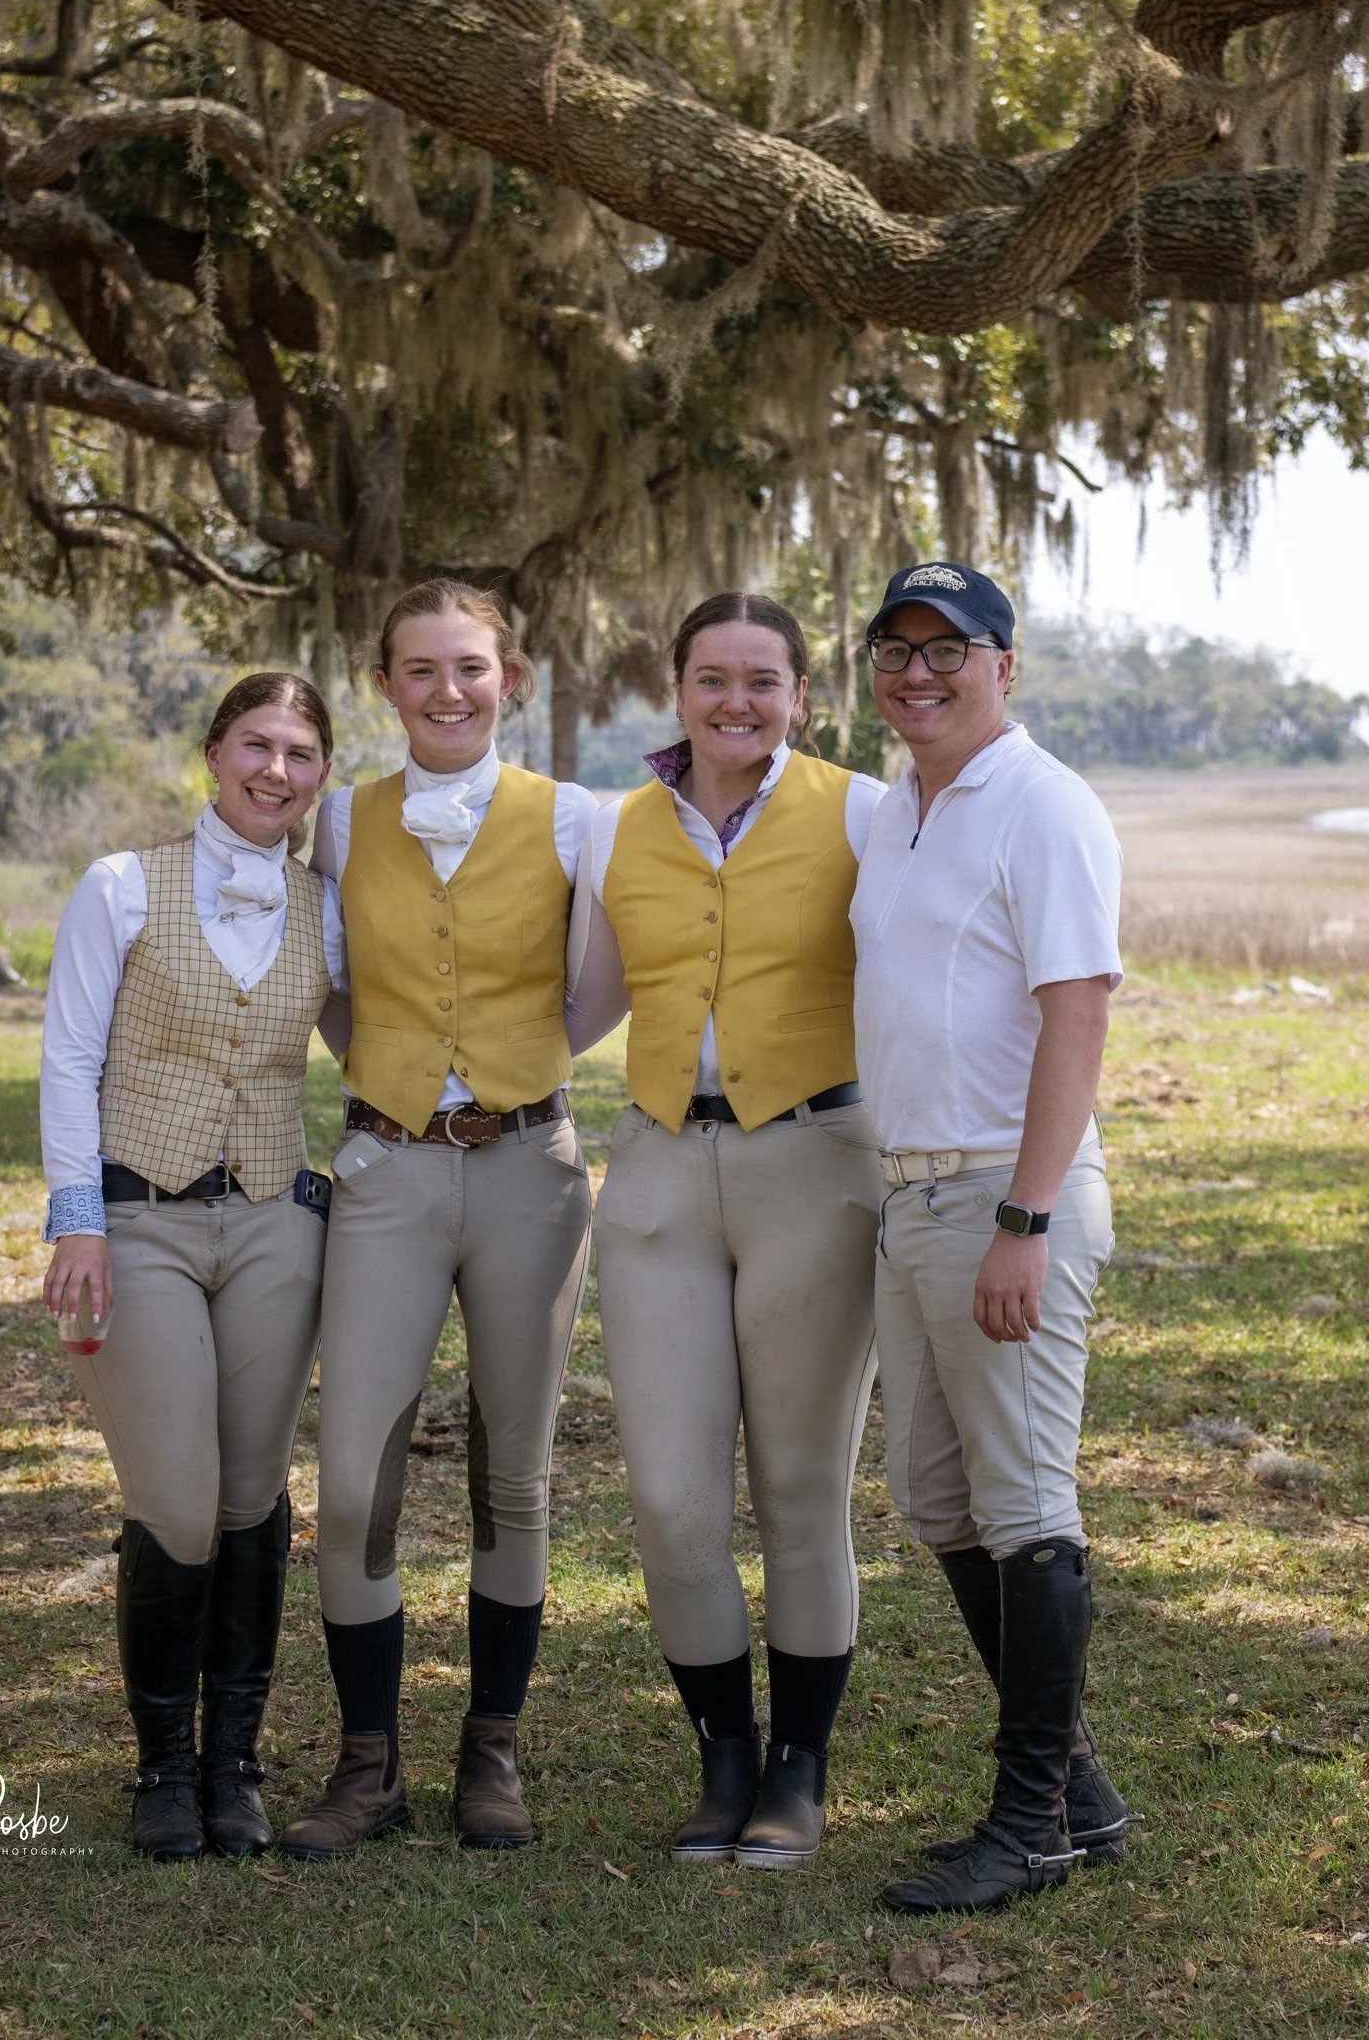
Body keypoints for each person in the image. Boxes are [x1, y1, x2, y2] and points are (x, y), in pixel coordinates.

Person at [276, 580, 598, 1861]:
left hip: (532, 1170)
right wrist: (391, 1078)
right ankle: (369, 1762)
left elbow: (600, 987)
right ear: (385, 686)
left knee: (513, 1472)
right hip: (388, 1171)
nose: (448, 689)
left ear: (510, 677)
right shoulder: (340, 822)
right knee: (356, 1473)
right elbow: (325, 985)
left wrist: (517, 1068)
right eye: (421, 669)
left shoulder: (573, 817)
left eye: (470, 666)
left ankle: (491, 1750)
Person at [566, 592, 886, 1871]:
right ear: (678, 688)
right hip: (655, 1172)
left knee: (801, 1488)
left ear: (801, 696)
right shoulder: (614, 828)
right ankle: (724, 1758)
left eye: (763, 681)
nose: (736, 702)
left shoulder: (863, 812)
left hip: (816, 1161)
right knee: (671, 1496)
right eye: (713, 678)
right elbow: (579, 1003)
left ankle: (799, 1768)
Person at [849, 561, 1130, 1915]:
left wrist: (1026, 1216)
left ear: (1002, 665)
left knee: (1025, 1507)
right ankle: (1079, 1790)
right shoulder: (895, 809)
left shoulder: (1043, 803)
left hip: (1001, 1196)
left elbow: (1078, 1009)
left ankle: (1031, 1825)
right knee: (937, 1498)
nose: (919, 672)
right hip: (908, 1194)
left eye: (947, 649)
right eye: (896, 648)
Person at [39, 671, 337, 1863]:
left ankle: (234, 1763)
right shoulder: (120, 885)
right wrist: (77, 1222)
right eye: (257, 743)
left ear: (322, 776)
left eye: (301, 753)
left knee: (252, 1492)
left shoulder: (327, 908)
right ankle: (162, 1762)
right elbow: (69, 1056)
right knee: (174, 1496)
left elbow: (393, 1033)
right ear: (214, 752)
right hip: (139, 1218)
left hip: (274, 1221)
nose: (276, 769)